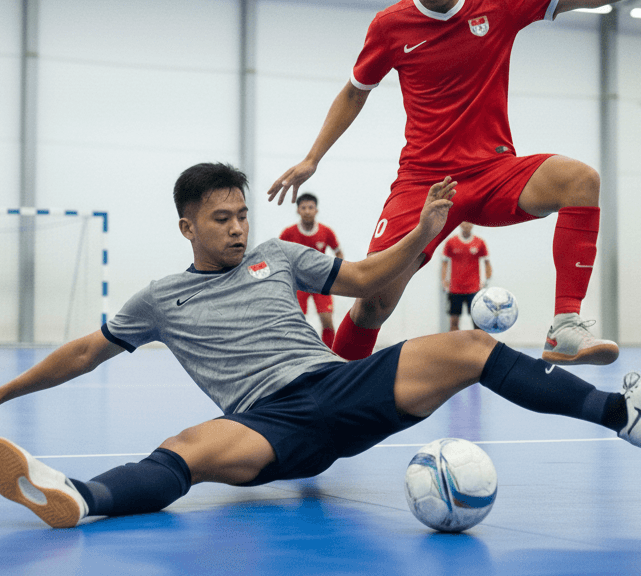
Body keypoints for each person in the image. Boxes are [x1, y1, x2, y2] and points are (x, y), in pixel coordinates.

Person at [0, 163, 641, 529]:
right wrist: (2, 391)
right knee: (187, 447)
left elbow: (362, 278)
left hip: (338, 388)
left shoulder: (281, 256)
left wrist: (423, 238)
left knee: (465, 348)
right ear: (187, 227)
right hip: (267, 426)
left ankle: (623, 417)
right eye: (221, 219)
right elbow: (83, 352)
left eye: (240, 215)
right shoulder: (159, 299)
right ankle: (82, 498)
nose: (236, 228)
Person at [266, 0, 621, 366]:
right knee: (374, 302)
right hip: (423, 182)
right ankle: (329, 395)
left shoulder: (498, 5)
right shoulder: (390, 25)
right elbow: (356, 92)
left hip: (494, 171)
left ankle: (564, 325)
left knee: (581, 180)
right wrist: (313, 158)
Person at [279, 192, 345, 346]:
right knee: (296, 320)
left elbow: (338, 252)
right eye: (303, 207)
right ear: (298, 210)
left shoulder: (326, 231)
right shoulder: (288, 233)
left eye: (310, 207)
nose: (307, 211)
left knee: (327, 320)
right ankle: (295, 352)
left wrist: (336, 273)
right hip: (298, 282)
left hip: (320, 282)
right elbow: (277, 253)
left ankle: (329, 354)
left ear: (316, 210)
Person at [441, 222, 492, 331]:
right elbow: (444, 262)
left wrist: (487, 279)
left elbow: (486, 262)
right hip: (455, 289)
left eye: (469, 223)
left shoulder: (479, 242)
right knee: (454, 321)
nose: (466, 225)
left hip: (473, 289)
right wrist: (444, 280)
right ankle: (455, 346)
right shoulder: (451, 242)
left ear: (472, 225)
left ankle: (477, 346)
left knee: (477, 321)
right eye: (464, 223)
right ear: (460, 224)